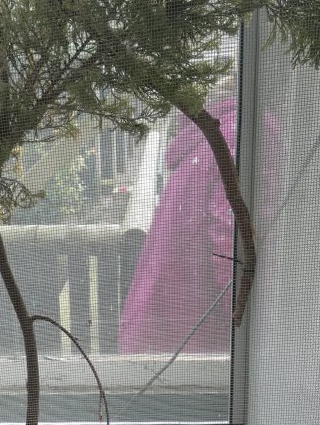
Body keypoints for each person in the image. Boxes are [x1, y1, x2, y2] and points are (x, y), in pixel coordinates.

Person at [119, 86, 279, 356]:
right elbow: (233, 238)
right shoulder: (251, 131)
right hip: (197, 342)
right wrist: (254, 324)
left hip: (159, 325)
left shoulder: (209, 135)